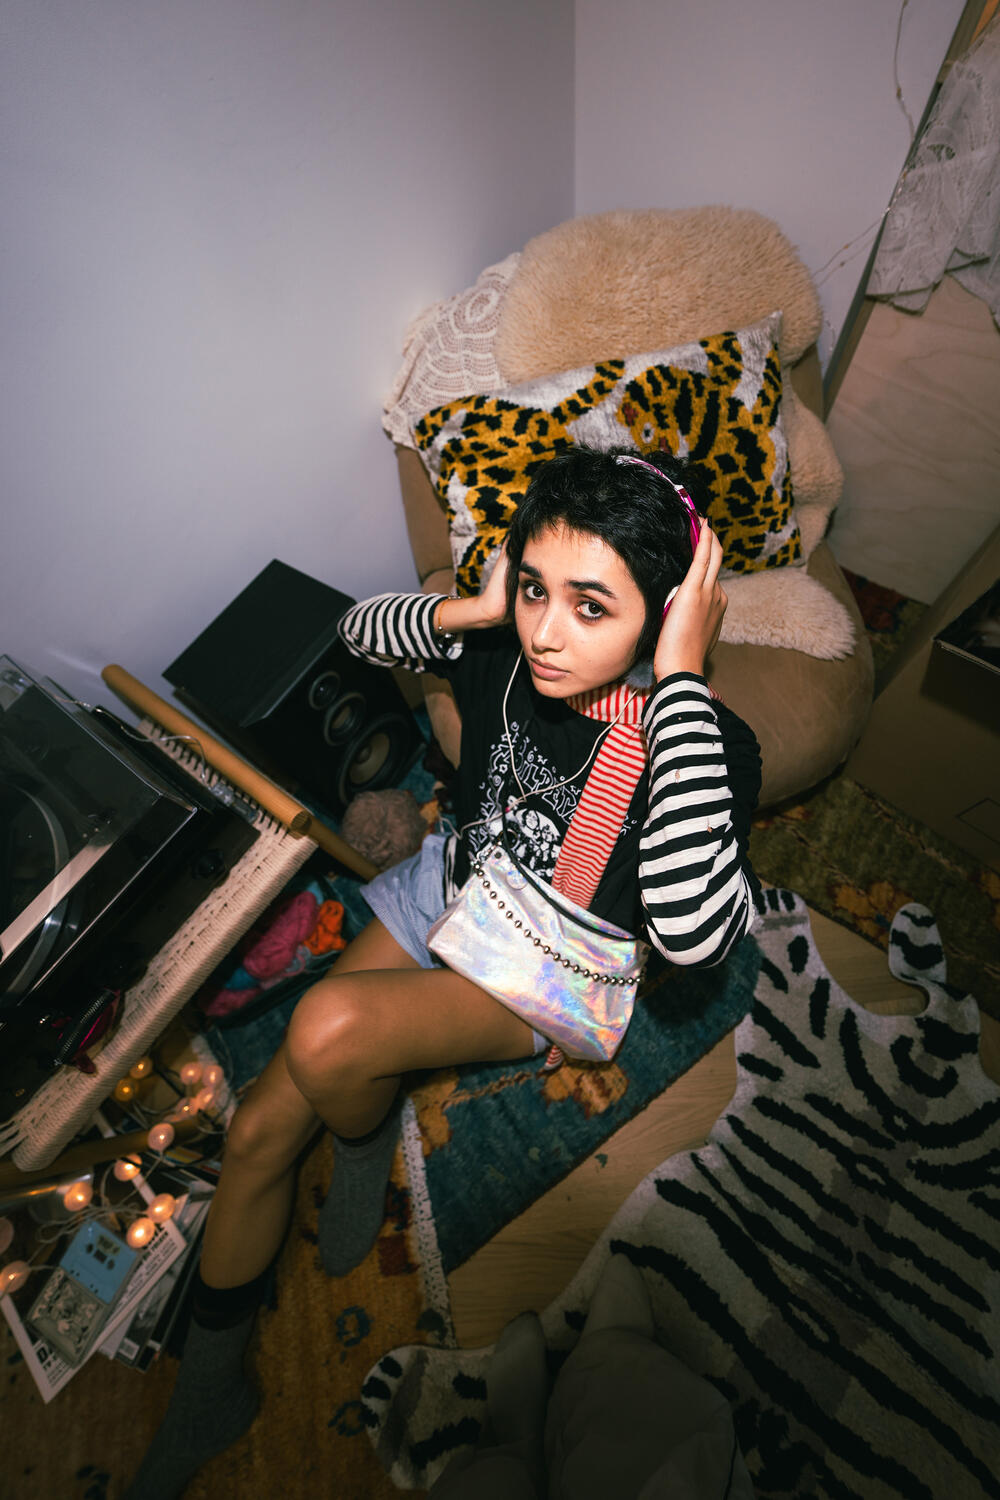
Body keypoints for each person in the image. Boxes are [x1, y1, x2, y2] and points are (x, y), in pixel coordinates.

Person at [124, 445, 762, 1500]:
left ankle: (363, 1123)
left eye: (591, 607)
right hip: (451, 885)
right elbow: (358, 631)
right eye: (535, 589)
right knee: (254, 1128)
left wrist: (684, 674)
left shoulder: (696, 742)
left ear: (666, 614)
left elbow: (695, 937)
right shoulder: (507, 642)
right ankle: (211, 1390)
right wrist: (481, 607)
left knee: (326, 1030)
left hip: (541, 968)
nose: (548, 634)